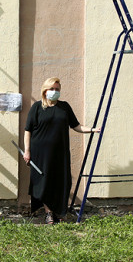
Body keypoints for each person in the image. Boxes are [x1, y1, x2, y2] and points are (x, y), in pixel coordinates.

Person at [23, 77, 101, 224]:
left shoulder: (64, 107)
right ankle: (48, 213)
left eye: (57, 89)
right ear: (45, 91)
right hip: (40, 153)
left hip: (60, 153)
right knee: (44, 183)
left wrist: (92, 129)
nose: (54, 92)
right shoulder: (37, 107)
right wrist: (27, 151)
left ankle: (59, 211)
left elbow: (76, 126)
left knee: (61, 181)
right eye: (51, 89)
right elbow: (28, 130)